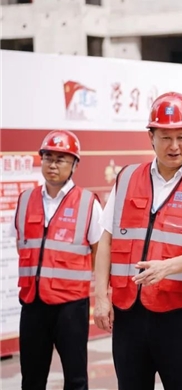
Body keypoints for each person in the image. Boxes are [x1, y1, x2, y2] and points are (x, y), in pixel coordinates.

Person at [92, 92, 182, 390]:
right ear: (151, 137)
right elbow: (106, 241)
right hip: (128, 314)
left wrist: (166, 267)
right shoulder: (127, 178)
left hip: (179, 316)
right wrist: (100, 298)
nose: (174, 146)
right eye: (165, 137)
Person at [13, 130, 103, 390]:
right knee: (31, 379)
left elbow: (99, 253)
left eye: (61, 159)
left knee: (75, 379)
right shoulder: (25, 200)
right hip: (32, 305)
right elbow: (22, 245)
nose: (52, 164)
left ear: (74, 164)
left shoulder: (88, 203)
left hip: (71, 308)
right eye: (48, 158)